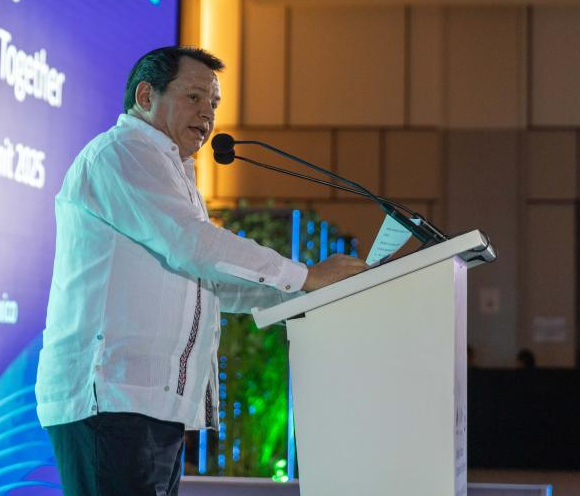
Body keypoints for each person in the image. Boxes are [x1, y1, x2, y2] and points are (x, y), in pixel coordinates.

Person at [34, 46, 368, 495]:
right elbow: (191, 245)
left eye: (213, 103)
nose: (207, 113)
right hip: (110, 399)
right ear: (146, 96)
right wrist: (305, 276)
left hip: (150, 404)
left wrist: (307, 294)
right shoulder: (122, 153)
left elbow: (208, 283)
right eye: (194, 97)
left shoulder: (170, 170)